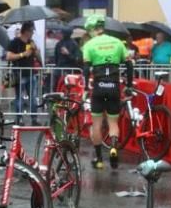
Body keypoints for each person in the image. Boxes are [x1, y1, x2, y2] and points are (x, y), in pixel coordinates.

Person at [81, 14, 132, 170]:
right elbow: (129, 65)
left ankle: (99, 159)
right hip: (114, 87)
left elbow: (85, 69)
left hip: (98, 86)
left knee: (96, 124)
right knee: (113, 123)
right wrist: (129, 84)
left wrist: (85, 88)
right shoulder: (117, 42)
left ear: (91, 30)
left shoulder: (89, 45)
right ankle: (114, 148)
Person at [5, 21, 40, 123]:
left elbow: (37, 56)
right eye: (31, 31)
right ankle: (19, 119)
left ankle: (34, 119)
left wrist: (35, 49)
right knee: (19, 98)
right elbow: (8, 56)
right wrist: (23, 54)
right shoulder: (15, 42)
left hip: (31, 73)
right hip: (19, 74)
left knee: (33, 97)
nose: (32, 33)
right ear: (26, 31)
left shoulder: (31, 42)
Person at [52, 25, 82, 91]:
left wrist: (68, 53)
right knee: (56, 86)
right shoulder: (59, 43)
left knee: (66, 88)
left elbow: (77, 59)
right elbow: (56, 57)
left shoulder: (73, 44)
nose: (61, 34)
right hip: (59, 69)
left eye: (62, 33)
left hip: (69, 70)